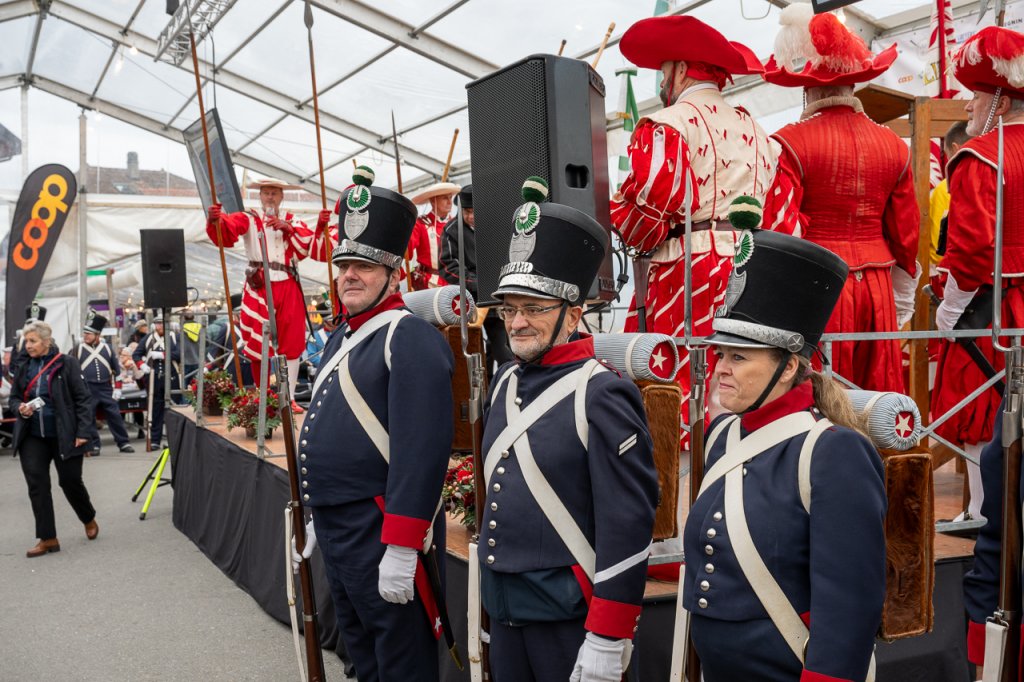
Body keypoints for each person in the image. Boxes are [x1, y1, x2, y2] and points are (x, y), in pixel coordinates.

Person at [476, 178, 659, 682]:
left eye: (534, 308)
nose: (517, 322)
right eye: (510, 308)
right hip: (505, 609)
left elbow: (628, 521)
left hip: (569, 618)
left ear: (574, 314)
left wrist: (608, 633)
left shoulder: (601, 392)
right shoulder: (505, 380)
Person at [685, 226, 886, 681]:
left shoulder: (833, 451)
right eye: (721, 355)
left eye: (739, 357)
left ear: (788, 366)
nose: (721, 370)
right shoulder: (723, 435)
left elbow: (850, 602)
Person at [291, 168, 454, 682]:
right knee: (363, 660)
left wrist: (403, 544)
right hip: (338, 528)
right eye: (343, 265)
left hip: (380, 530)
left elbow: (421, 452)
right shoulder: (341, 338)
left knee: (401, 663)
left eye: (364, 265)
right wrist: (317, 515)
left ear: (394, 273)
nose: (349, 275)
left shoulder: (409, 337)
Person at [611, 15, 777, 449]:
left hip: (688, 268)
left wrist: (616, 211)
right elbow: (778, 211)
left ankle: (681, 475)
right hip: (751, 264)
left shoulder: (669, 123)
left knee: (676, 377)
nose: (662, 81)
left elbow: (652, 207)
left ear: (682, 70)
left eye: (665, 70)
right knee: (739, 374)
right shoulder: (760, 133)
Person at [761, 5, 919, 394]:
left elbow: (781, 231)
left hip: (819, 283)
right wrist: (901, 297)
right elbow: (906, 235)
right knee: (874, 394)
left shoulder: (789, 142)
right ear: (853, 86)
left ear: (807, 88)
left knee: (820, 393)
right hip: (877, 286)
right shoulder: (893, 145)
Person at [933, 26, 1024, 528]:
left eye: (977, 95)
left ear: (1002, 104)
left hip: (995, 306)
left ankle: (986, 519)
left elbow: (969, 253)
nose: (968, 105)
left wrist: (949, 311)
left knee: (982, 409)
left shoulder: (980, 155)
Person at [206, 177, 326, 411]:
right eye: (266, 193)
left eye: (274, 193)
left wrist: (288, 228)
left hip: (288, 281)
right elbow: (228, 231)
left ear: (281, 196)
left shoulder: (292, 220)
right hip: (259, 282)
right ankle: (263, 396)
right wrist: (215, 220)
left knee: (293, 340)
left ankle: (289, 398)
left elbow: (308, 247)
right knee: (257, 339)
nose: (270, 197)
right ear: (260, 196)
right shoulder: (249, 218)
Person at [10, 321, 100, 558]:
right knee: (37, 485)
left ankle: (88, 517)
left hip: (65, 434)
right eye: (26, 342)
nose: (28, 346)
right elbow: (14, 397)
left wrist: (84, 432)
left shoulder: (67, 363)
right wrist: (20, 408)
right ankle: (48, 538)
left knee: (70, 482)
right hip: (32, 435)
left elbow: (83, 399)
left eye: (33, 341)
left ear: (46, 341)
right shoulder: (23, 365)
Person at [438, 183, 514, 369]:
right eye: (467, 212)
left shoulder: (493, 228)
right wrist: (476, 283)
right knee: (475, 345)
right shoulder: (451, 231)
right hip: (469, 300)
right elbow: (447, 266)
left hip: (497, 296)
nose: (471, 216)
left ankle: (501, 379)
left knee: (500, 343)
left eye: (475, 211)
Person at [77, 310, 134, 455]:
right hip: (87, 389)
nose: (86, 336)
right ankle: (94, 445)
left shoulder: (107, 349)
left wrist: (118, 388)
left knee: (115, 415)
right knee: (89, 417)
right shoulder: (78, 349)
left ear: (97, 335)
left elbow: (117, 371)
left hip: (105, 388)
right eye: (85, 333)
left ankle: (123, 442)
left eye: (89, 333)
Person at [132, 314, 181, 451]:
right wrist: (142, 365)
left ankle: (173, 440)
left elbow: (180, 354)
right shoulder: (148, 338)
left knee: (173, 410)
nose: (160, 326)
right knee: (155, 410)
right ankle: (155, 440)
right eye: (158, 323)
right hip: (154, 378)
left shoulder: (174, 337)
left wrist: (162, 355)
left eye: (162, 323)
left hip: (171, 377)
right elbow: (136, 355)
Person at [929, 121, 972, 274]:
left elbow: (937, 246)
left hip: (949, 271)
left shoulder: (945, 188)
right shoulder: (994, 179)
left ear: (955, 149)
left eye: (947, 156)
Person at [409, 181, 460, 290]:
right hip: (429, 284)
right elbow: (406, 252)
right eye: (445, 198)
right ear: (433, 201)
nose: (449, 202)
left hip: (455, 282)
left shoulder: (456, 224)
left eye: (450, 197)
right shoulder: (420, 223)